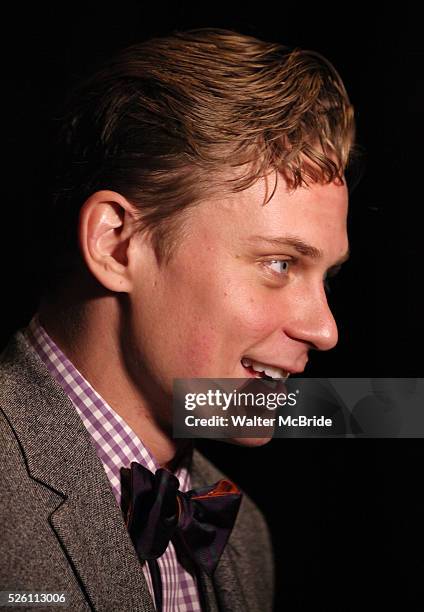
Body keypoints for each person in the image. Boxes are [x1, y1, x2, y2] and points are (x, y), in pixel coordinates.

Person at [0, 28, 354, 611]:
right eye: (278, 263)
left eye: (327, 277)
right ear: (117, 244)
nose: (325, 330)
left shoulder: (243, 535)